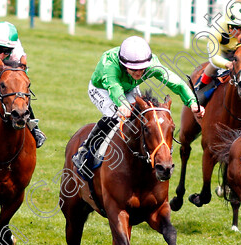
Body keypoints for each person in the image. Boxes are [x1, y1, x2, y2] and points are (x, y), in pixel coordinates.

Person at [71, 36, 205, 181]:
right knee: (114, 116)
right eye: (133, 69)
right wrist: (123, 104)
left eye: (142, 69)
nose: (138, 73)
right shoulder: (110, 66)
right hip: (102, 89)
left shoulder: (152, 65)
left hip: (130, 88)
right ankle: (85, 152)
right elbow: (114, 88)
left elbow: (176, 83)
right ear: (123, 64)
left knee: (143, 118)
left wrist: (192, 102)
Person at [193, 8, 241, 105]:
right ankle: (200, 93)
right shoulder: (216, 31)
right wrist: (227, 64)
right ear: (228, 26)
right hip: (222, 53)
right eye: (235, 27)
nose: (239, 31)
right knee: (212, 67)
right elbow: (214, 57)